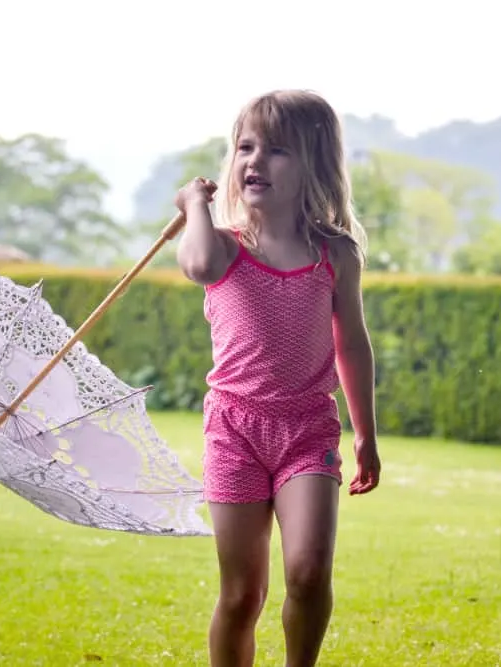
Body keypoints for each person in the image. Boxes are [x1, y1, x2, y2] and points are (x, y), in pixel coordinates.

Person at [174, 89, 382, 667]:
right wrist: (195, 203)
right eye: (245, 147)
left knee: (309, 572)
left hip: (308, 430)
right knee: (243, 595)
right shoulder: (221, 245)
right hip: (234, 431)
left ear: (313, 164)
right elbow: (197, 266)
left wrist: (364, 432)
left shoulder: (335, 254)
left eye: (277, 150)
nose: (254, 161)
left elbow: (352, 344)